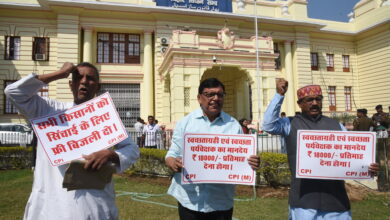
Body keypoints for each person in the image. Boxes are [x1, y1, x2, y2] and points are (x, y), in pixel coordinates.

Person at [5, 62, 140, 220]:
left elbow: (132, 149)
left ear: (97, 86)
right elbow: (14, 92)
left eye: (90, 78)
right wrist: (60, 73)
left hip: (95, 204)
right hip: (52, 205)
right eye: (78, 77)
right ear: (71, 84)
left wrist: (110, 154)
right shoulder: (48, 110)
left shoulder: (106, 116)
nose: (83, 81)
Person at [262, 78, 379, 220]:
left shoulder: (337, 126)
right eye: (309, 100)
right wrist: (279, 95)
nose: (315, 103)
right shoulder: (290, 124)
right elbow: (268, 125)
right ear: (300, 104)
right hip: (303, 203)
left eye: (318, 99)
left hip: (336, 203)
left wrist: (367, 167)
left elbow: (353, 156)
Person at [165, 78, 260, 220]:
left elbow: (242, 158)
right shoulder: (185, 123)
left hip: (220, 202)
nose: (215, 98)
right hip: (189, 200)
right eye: (209, 94)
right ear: (199, 98)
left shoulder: (233, 125)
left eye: (220, 95)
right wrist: (173, 162)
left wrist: (251, 162)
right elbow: (171, 154)